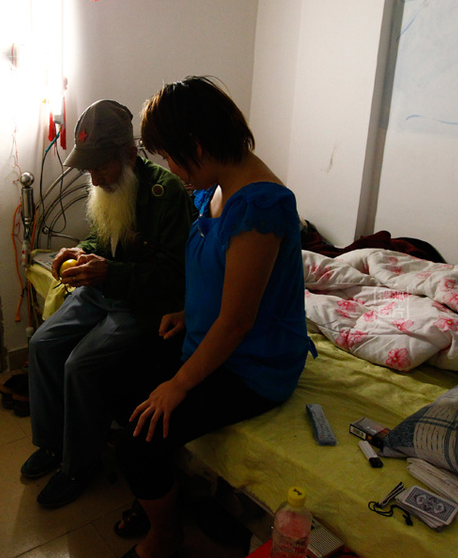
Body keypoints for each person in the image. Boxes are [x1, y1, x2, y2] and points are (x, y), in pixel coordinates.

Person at [112, 77, 315, 558]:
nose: (171, 169)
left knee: (140, 437)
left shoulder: (261, 206)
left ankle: (164, 536)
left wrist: (178, 385)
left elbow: (240, 320)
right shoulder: (216, 190)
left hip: (253, 365)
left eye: (171, 156)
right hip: (211, 339)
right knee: (120, 383)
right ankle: (162, 494)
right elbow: (223, 277)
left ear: (197, 146)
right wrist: (189, 312)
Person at [21, 99, 194, 508]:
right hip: (103, 292)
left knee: (79, 364)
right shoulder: (108, 188)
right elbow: (103, 240)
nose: (95, 178)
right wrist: (80, 252)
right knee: (42, 344)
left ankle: (80, 464)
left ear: (129, 155)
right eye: (89, 170)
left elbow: (174, 277)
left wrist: (108, 273)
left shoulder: (166, 194)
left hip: (141, 304)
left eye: (101, 167)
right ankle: (52, 443)